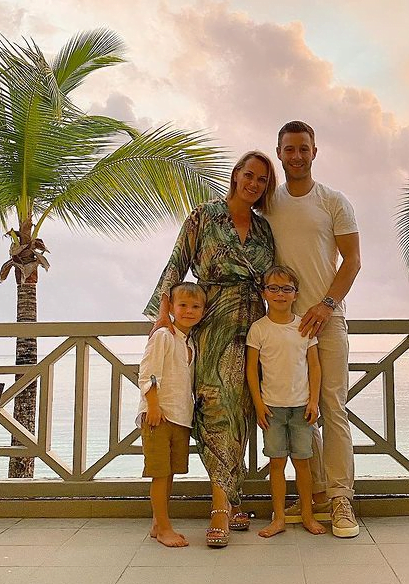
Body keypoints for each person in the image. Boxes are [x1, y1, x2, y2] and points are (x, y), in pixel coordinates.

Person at [143, 151, 276, 547]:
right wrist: (162, 316)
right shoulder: (204, 216)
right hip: (212, 323)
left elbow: (272, 279)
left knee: (241, 414)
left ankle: (231, 500)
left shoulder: (264, 228)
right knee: (216, 408)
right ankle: (219, 507)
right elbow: (176, 263)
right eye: (248, 175)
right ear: (236, 175)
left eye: (262, 180)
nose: (254, 184)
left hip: (252, 327)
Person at [264, 121, 361, 538]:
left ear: (314, 152)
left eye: (304, 148)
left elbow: (352, 261)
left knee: (333, 407)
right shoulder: (269, 203)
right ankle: (317, 493)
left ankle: (341, 499)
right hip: (284, 325)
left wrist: (326, 305)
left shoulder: (333, 201)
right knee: (301, 409)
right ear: (279, 153)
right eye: (289, 149)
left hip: (327, 320)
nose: (297, 156)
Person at [246, 265, 327, 538]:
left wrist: (314, 401)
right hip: (272, 409)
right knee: (277, 464)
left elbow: (314, 366)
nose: (280, 294)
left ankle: (307, 515)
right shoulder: (259, 329)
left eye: (286, 289)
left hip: (302, 408)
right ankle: (279, 517)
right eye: (273, 288)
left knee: (303, 464)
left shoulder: (304, 327)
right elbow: (251, 369)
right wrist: (258, 404)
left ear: (295, 294)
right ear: (264, 293)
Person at [137, 282, 205, 547]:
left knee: (170, 474)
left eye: (196, 306)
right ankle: (164, 528)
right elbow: (148, 372)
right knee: (160, 474)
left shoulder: (190, 343)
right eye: (183, 305)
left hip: (180, 416)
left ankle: (158, 523)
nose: (189, 311)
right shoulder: (163, 335)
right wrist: (153, 405)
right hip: (160, 415)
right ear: (171, 308)